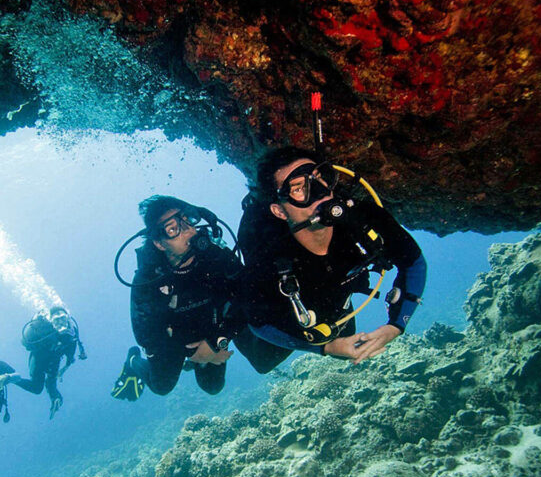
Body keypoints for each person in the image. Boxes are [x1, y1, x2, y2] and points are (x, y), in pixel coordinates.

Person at [237, 146, 427, 365]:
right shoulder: (268, 256)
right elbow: (259, 324)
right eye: (299, 188)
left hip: (337, 301)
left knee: (344, 341)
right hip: (290, 310)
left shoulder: (363, 220)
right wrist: (324, 348)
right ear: (280, 211)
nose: (320, 192)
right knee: (263, 363)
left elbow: (414, 263)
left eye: (320, 178)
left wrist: (396, 325)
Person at [122, 195, 242, 397]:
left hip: (210, 329)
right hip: (171, 340)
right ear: (159, 244)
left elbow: (248, 297)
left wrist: (217, 341)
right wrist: (192, 352)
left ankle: (198, 359)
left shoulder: (214, 255)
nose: (188, 231)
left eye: (188, 220)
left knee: (213, 386)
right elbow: (145, 334)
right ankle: (133, 362)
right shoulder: (148, 279)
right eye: (173, 229)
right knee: (162, 387)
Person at [19, 306, 87, 418]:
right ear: (51, 321)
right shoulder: (44, 329)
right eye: (56, 319)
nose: (61, 322)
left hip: (54, 360)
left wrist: (64, 369)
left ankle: (56, 400)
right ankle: (12, 379)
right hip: (38, 359)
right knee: (36, 388)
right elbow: (27, 343)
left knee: (51, 384)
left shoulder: (71, 332)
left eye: (63, 318)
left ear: (68, 318)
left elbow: (70, 355)